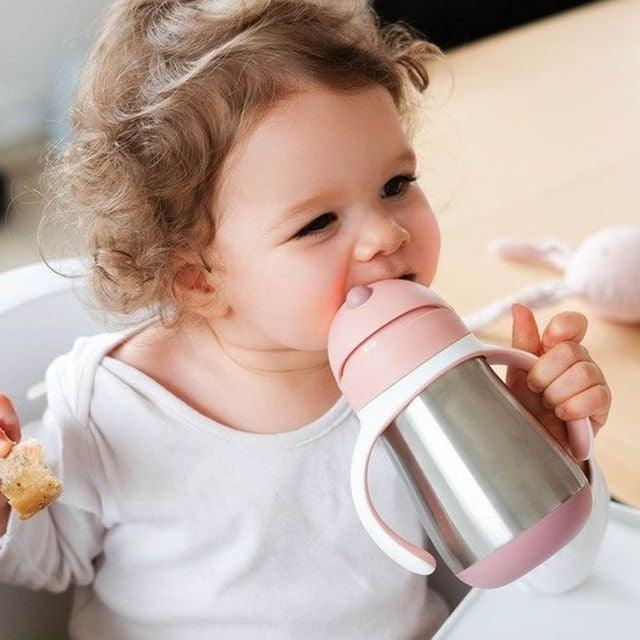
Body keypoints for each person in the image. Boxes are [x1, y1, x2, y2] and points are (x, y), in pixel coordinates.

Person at [0, 1, 611, 638]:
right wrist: (7, 494)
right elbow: (45, 555)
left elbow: (548, 579)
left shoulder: (438, 374)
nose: (386, 234)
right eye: (318, 222)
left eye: (396, 184)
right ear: (196, 278)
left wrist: (545, 457)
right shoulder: (106, 406)